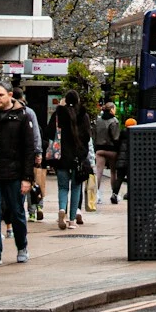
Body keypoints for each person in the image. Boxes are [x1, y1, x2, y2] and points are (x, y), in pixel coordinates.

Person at [0, 84, 40, 264]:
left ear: (10, 95)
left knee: (16, 212)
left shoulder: (22, 117)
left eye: (1, 95)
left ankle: (22, 246)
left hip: (14, 173)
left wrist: (27, 177)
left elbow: (28, 149)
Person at [48, 92, 92, 229]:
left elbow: (49, 133)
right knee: (76, 187)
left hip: (61, 156)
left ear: (65, 100)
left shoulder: (57, 115)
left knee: (62, 187)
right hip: (77, 157)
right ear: (78, 100)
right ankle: (72, 220)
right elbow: (87, 137)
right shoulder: (83, 116)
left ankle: (62, 209)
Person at [92, 105, 124, 205]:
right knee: (113, 173)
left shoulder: (98, 120)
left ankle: (96, 195)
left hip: (100, 149)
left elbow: (94, 135)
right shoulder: (114, 121)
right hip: (112, 150)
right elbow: (116, 137)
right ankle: (114, 194)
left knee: (98, 172)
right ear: (111, 110)